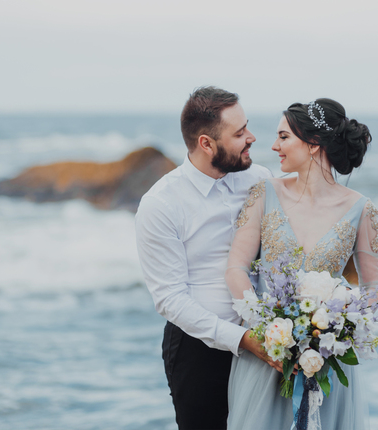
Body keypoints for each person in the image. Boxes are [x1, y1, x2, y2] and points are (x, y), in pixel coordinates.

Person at [225, 98, 378, 430]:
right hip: (266, 357)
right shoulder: (263, 193)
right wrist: (266, 329)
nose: (274, 146)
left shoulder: (361, 209)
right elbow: (236, 266)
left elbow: (373, 288)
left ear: (313, 144)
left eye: (284, 137)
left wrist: (342, 330)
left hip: (325, 364)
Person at [135, 86, 276, 430]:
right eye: (239, 133)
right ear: (206, 144)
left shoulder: (260, 180)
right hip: (198, 350)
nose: (252, 138)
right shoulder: (161, 204)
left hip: (268, 339)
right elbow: (170, 298)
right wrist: (241, 340)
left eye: (248, 127)